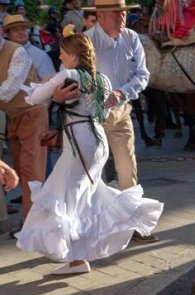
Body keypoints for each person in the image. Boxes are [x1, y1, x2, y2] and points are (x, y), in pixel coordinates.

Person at [15, 24, 164, 275]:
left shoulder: (68, 75)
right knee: (85, 197)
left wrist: (53, 94)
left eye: (62, 53)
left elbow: (33, 98)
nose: (59, 56)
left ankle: (77, 260)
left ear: (73, 56)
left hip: (81, 144)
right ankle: (79, 258)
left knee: (67, 198)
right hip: (96, 141)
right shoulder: (102, 79)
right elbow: (101, 112)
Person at [80, 0, 158, 243]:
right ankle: (94, 227)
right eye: (118, 12)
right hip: (92, 114)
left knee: (127, 169)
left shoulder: (131, 37)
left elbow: (143, 74)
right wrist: (99, 96)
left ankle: (132, 224)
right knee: (94, 171)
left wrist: (122, 93)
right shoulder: (85, 41)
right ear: (101, 16)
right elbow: (72, 75)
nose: (123, 17)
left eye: (124, 12)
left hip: (122, 112)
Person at [0, 19, 49, 239]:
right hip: (14, 117)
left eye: (24, 28)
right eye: (16, 29)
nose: (21, 32)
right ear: (8, 32)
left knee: (31, 171)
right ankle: (31, 221)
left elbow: (8, 90)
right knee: (20, 170)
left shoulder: (17, 52)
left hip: (32, 115)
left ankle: (32, 225)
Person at [3, 14, 56, 82]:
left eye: (23, 29)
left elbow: (51, 83)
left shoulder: (40, 55)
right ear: (8, 34)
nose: (21, 32)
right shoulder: (3, 53)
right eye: (15, 30)